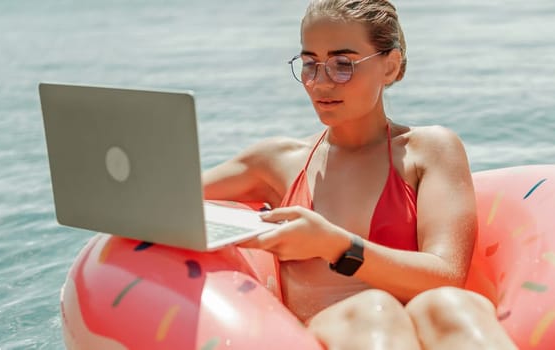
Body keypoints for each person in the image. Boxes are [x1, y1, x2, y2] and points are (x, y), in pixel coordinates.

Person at [202, 0, 516, 348]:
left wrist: (335, 245)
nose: (320, 83)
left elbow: (447, 277)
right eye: (310, 64)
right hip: (332, 331)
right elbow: (163, 193)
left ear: (390, 67)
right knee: (374, 308)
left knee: (451, 305)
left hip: (421, 325)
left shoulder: (427, 151)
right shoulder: (278, 161)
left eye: (342, 65)